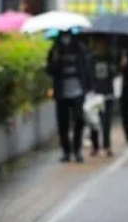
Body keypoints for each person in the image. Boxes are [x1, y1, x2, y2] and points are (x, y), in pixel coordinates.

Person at [46, 29, 92, 163]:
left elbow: (86, 68)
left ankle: (77, 150)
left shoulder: (79, 47)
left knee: (79, 121)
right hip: (61, 93)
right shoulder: (55, 49)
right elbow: (50, 70)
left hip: (78, 91)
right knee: (63, 124)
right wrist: (55, 60)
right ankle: (66, 151)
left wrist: (89, 88)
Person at [88, 37, 117, 157]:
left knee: (106, 122)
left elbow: (115, 73)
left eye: (102, 44)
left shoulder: (110, 58)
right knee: (94, 121)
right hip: (96, 94)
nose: (100, 46)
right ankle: (95, 146)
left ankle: (107, 146)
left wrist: (115, 68)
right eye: (98, 44)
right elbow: (88, 76)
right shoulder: (91, 59)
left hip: (107, 93)